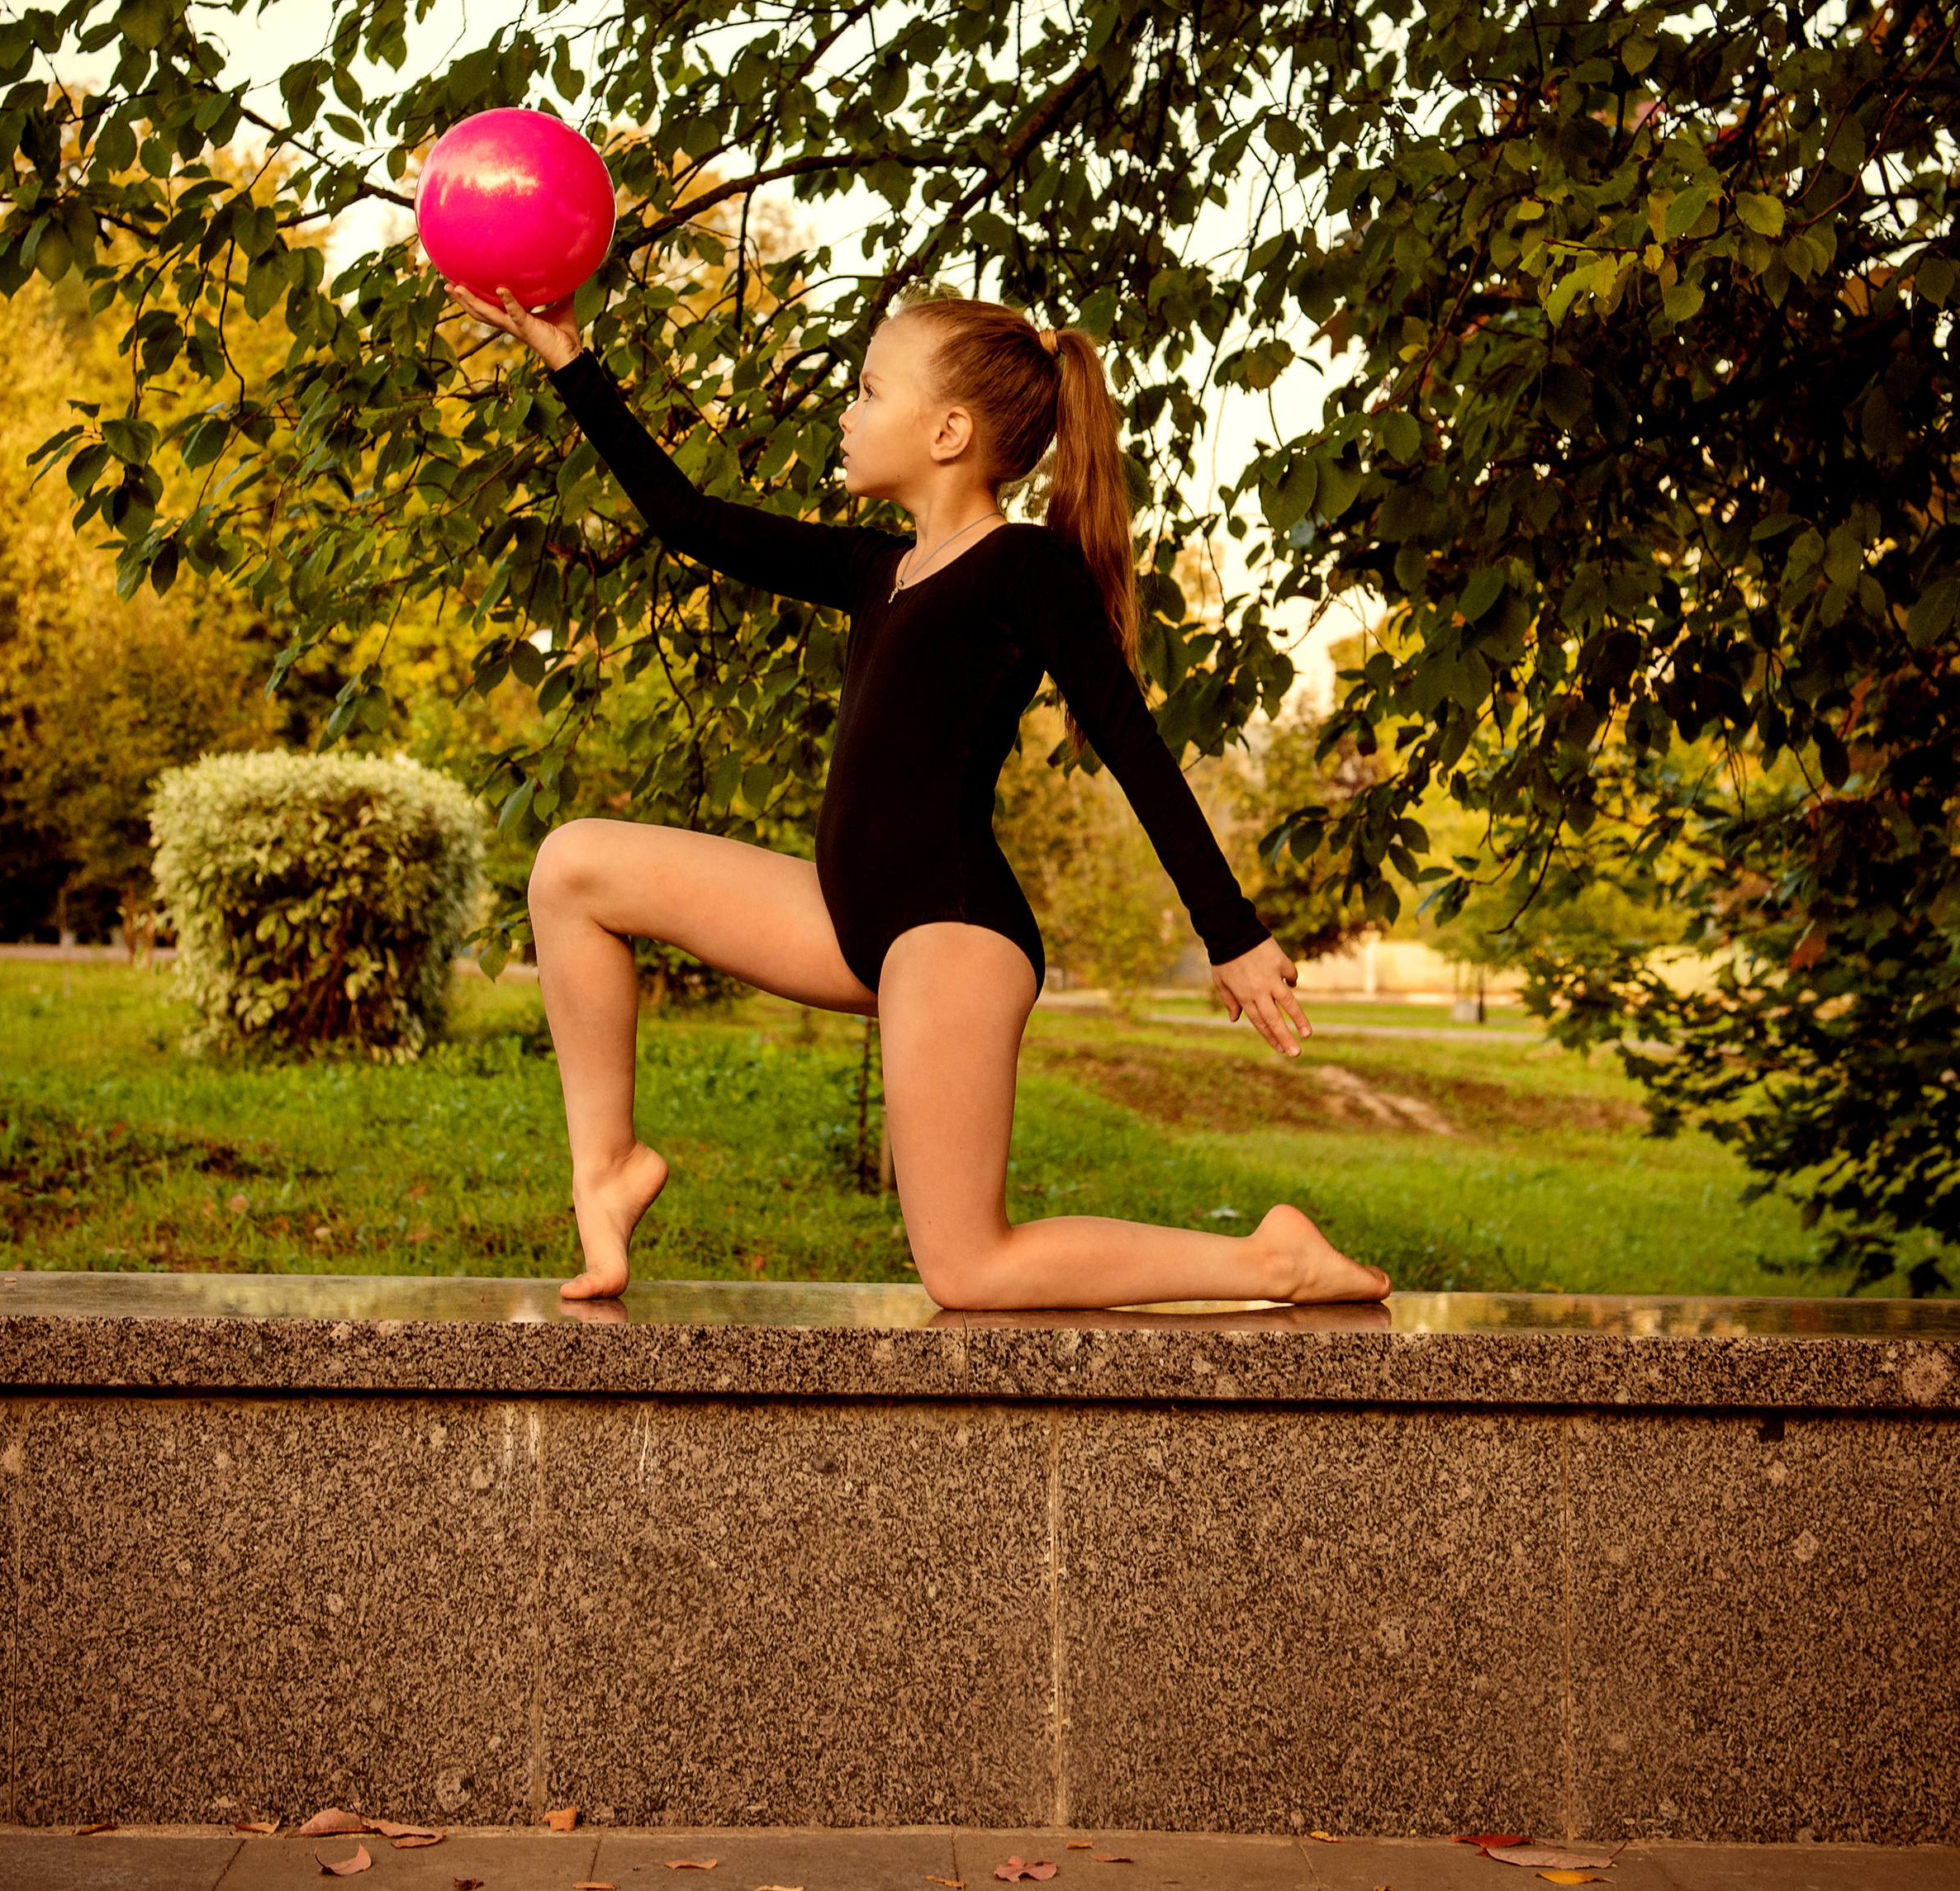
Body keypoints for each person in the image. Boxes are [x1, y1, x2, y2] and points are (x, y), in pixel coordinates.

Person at [452, 273, 1390, 1315]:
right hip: (844, 914)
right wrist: (568, 357)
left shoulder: (1024, 567)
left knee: (964, 1270)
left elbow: (1130, 742)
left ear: (946, 431)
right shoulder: (878, 569)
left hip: (950, 934)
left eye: (864, 390)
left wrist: (1230, 931)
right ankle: (608, 1168)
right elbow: (687, 521)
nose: (844, 415)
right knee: (574, 867)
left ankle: (1270, 1260)